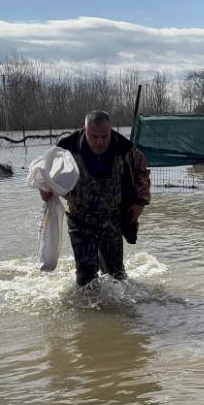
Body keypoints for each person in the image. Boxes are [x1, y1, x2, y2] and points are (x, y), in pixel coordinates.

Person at [40, 110, 151, 286]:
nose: (99, 142)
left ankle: (118, 311)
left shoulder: (124, 148)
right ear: (85, 131)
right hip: (79, 219)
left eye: (104, 136)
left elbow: (142, 172)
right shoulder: (67, 147)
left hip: (111, 218)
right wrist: (45, 189)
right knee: (85, 277)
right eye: (94, 137)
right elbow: (46, 172)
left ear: (110, 131)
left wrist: (140, 202)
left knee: (116, 275)